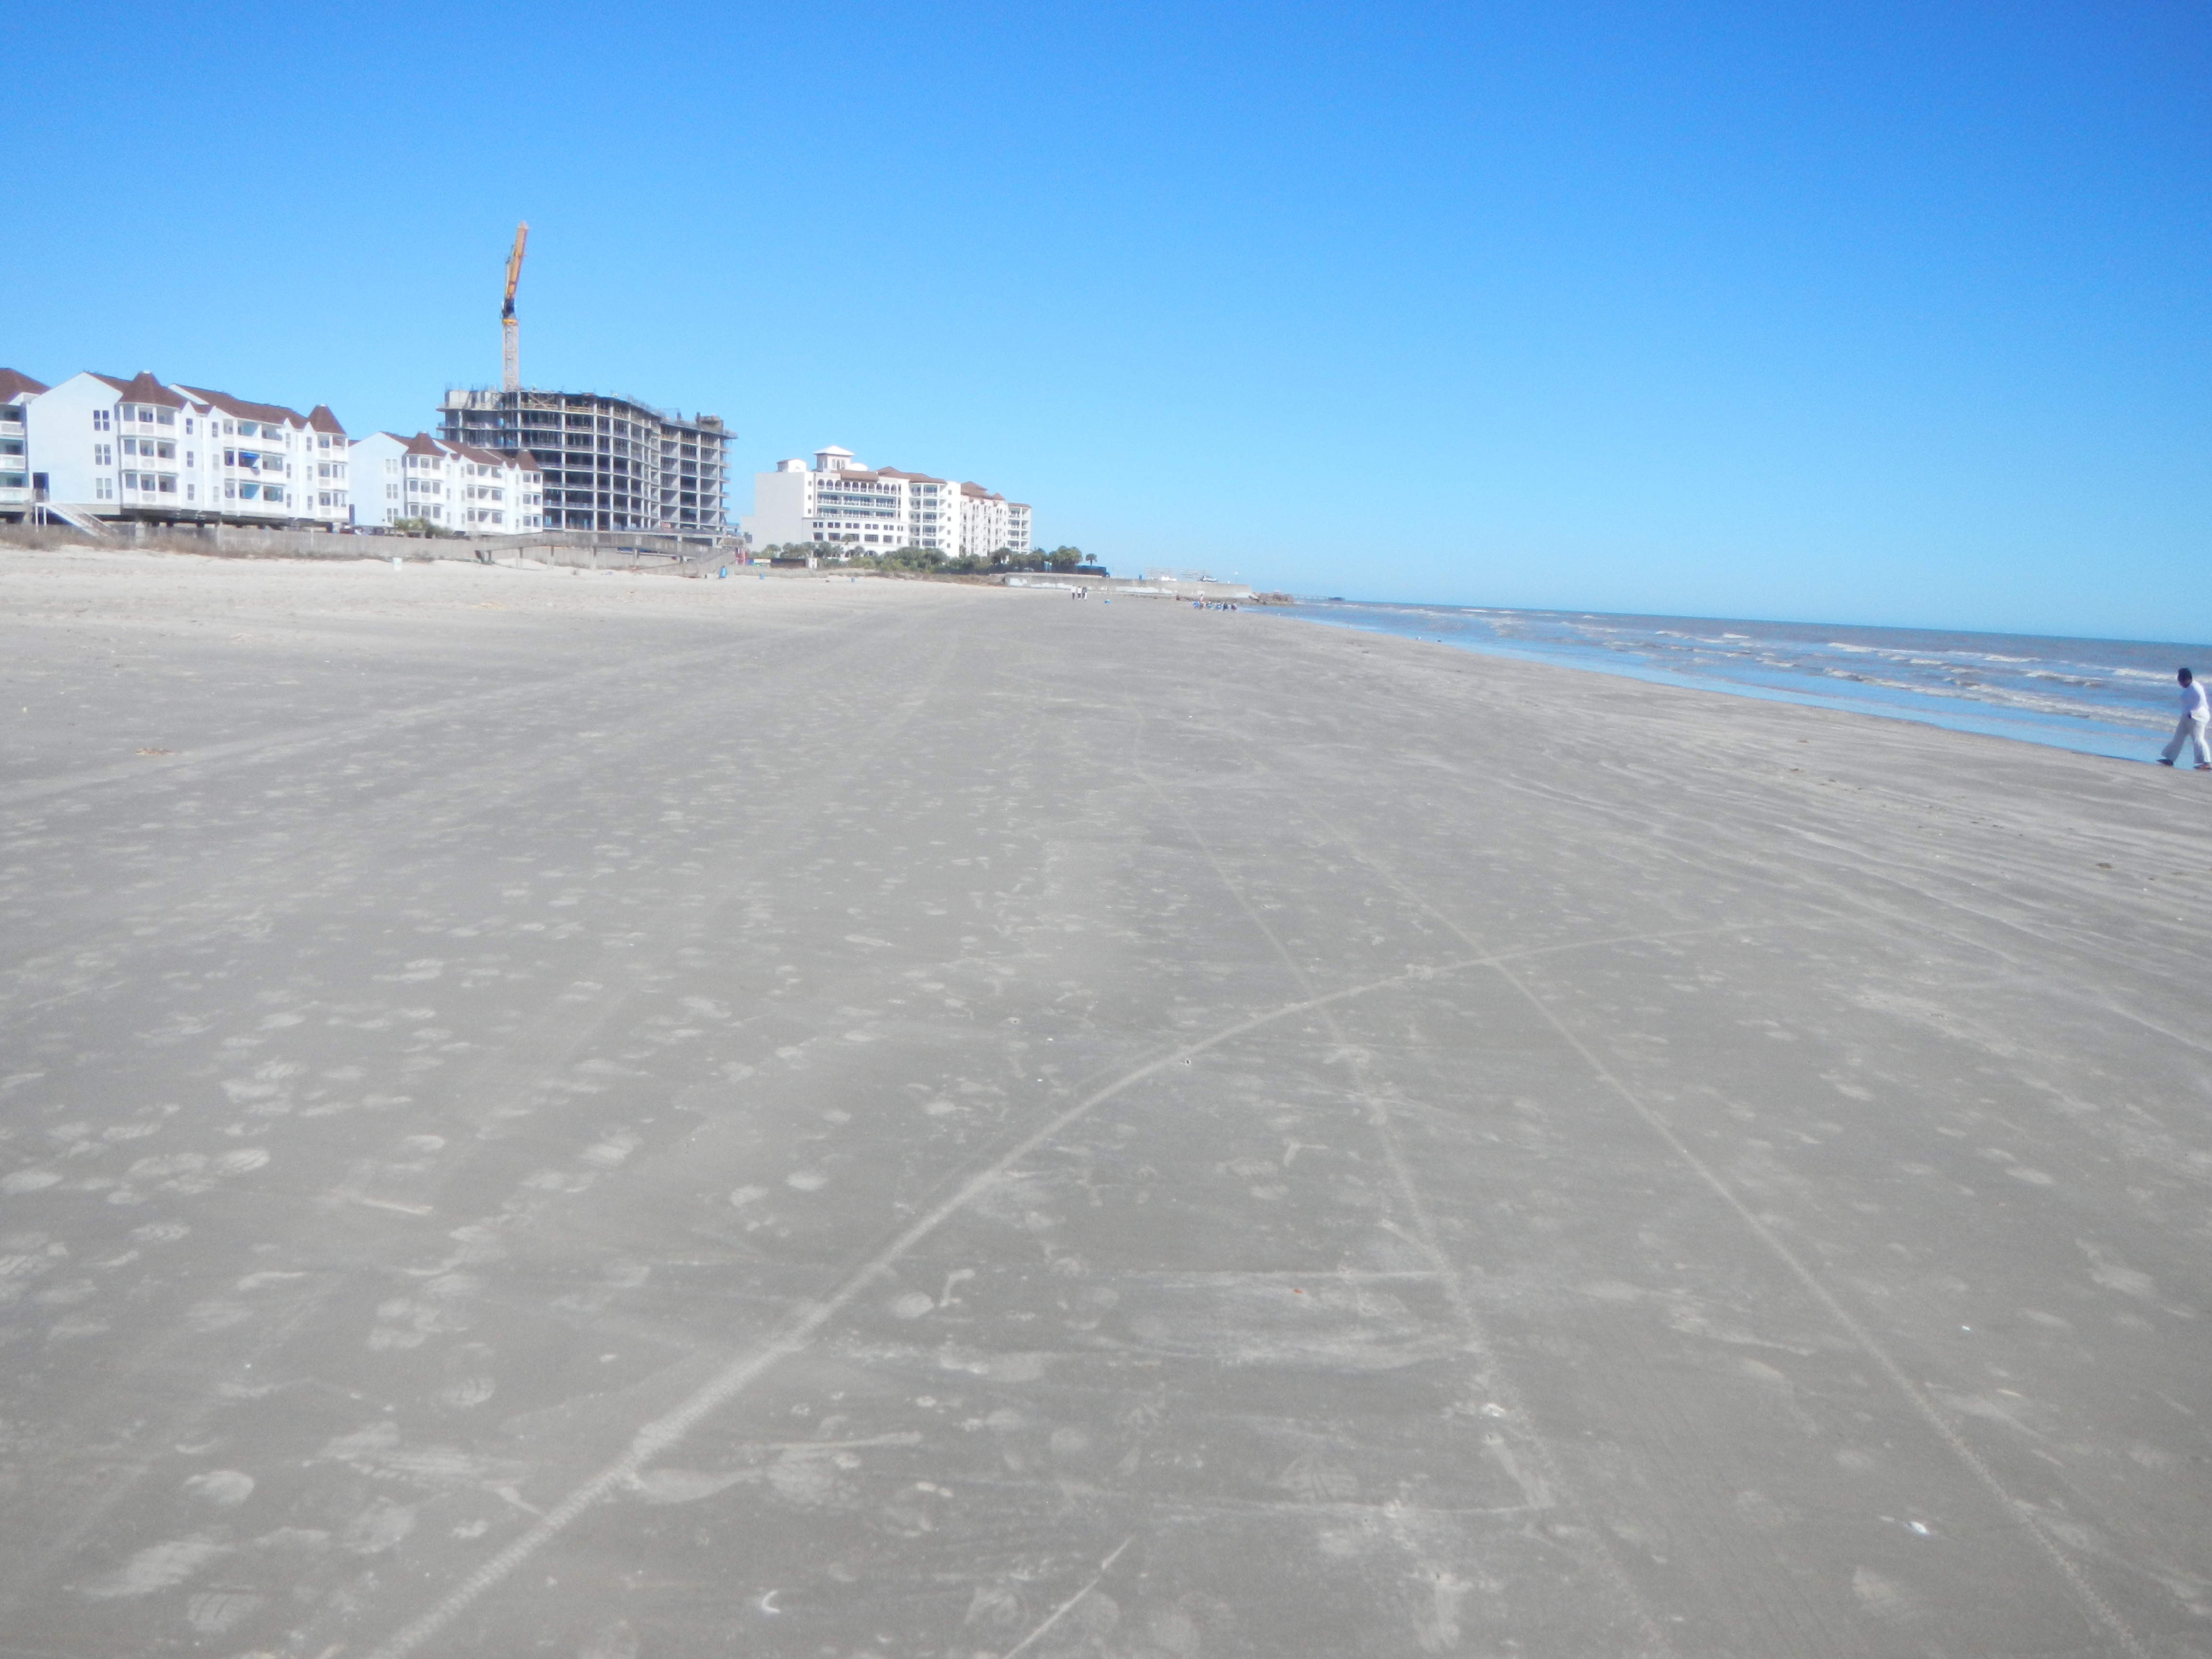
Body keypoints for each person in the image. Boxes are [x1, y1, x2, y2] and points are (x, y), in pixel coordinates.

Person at [2159, 667, 2211, 769]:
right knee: (2178, 738)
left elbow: (2201, 702)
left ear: (2186, 679)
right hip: (2187, 716)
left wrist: (2194, 712)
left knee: (2198, 739)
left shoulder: (2196, 687)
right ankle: (2170, 759)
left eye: (2180, 680)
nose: (2180, 683)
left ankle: (2207, 762)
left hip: (2197, 717)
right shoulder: (2189, 688)